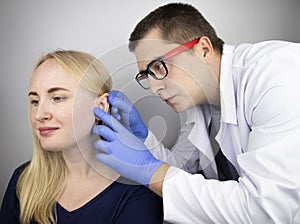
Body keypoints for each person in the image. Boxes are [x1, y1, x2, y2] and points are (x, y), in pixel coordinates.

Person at [92, 2, 300, 223]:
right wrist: (144, 140)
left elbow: (267, 210)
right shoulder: (200, 102)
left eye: (159, 67)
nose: (153, 89)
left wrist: (148, 169)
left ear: (203, 49)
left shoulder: (277, 77)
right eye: (146, 75)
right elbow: (182, 170)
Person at [0, 50, 163, 224]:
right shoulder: (24, 180)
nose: (39, 114)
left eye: (57, 98)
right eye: (35, 101)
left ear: (101, 106)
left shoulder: (136, 192)